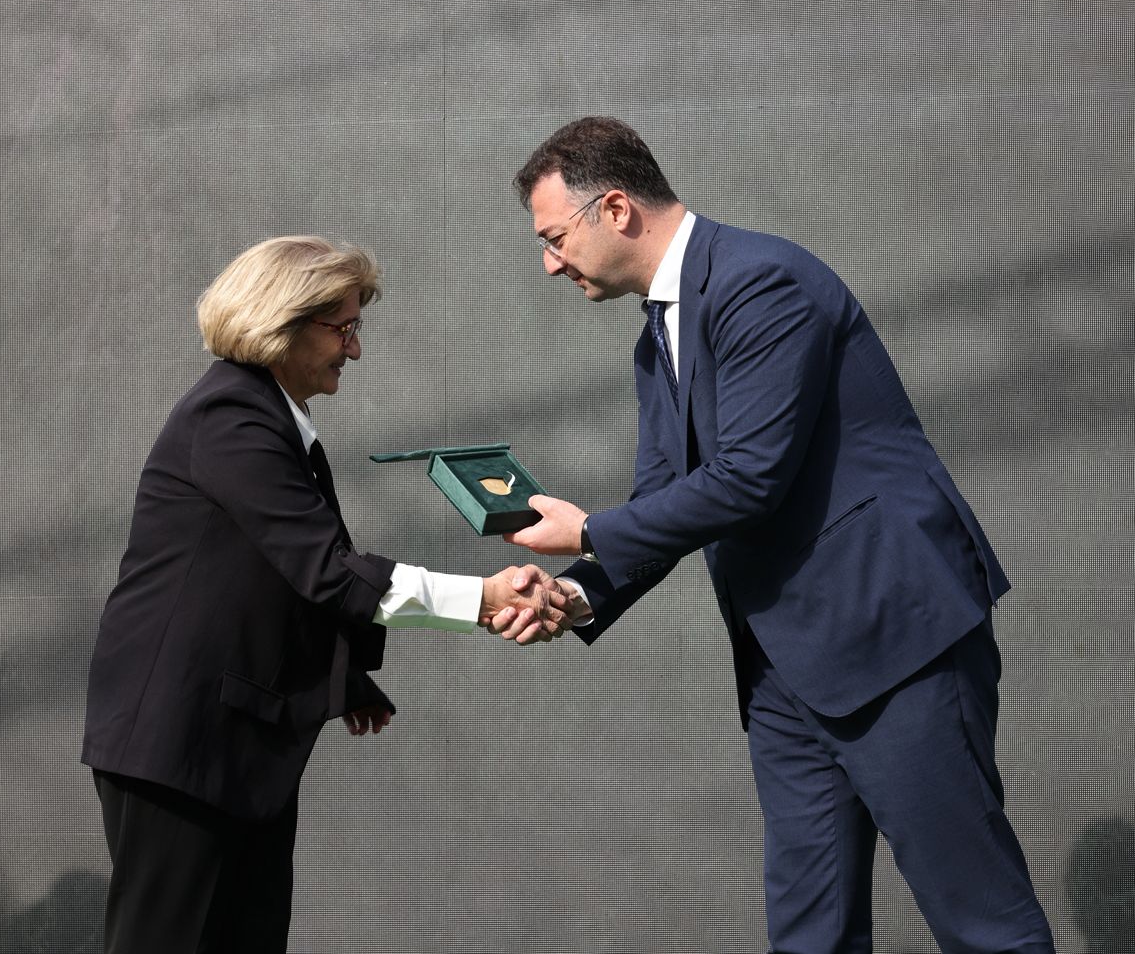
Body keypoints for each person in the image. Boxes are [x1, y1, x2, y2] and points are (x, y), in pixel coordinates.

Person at [496, 118, 1056, 954]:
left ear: (614, 208)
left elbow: (749, 479)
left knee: (983, 926)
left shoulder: (761, 281)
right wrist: (576, 594)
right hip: (784, 675)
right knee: (808, 938)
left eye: (553, 238)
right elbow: (663, 502)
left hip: (895, 642)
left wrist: (590, 529)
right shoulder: (656, 342)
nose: (550, 263)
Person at [81, 235, 567, 954]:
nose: (356, 350)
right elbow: (327, 570)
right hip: (182, 745)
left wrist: (345, 679)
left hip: (227, 744)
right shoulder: (231, 417)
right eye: (344, 328)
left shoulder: (264, 418)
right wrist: (487, 598)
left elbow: (270, 579)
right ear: (281, 321)